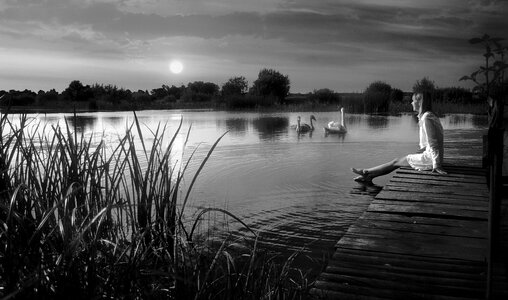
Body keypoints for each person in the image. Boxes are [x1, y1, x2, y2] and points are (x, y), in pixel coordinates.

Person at [351, 92, 447, 183]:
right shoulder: (429, 115)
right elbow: (432, 142)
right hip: (432, 157)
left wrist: (436, 165)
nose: (411, 103)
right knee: (397, 161)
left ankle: (366, 172)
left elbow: (434, 142)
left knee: (396, 162)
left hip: (430, 160)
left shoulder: (426, 118)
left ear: (419, 102)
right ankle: (369, 175)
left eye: (413, 100)